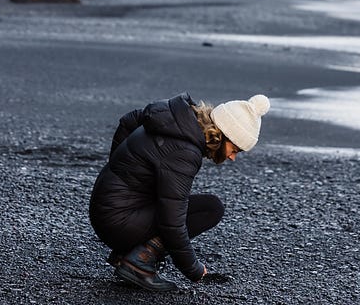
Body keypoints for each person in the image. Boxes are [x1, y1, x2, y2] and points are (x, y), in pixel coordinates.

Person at [89, 92, 270, 292]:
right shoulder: (184, 152)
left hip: (107, 207)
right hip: (118, 221)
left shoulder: (175, 120)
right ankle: (139, 262)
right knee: (210, 209)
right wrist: (193, 269)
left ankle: (129, 253)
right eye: (234, 150)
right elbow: (172, 222)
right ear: (223, 135)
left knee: (187, 204)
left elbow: (129, 120)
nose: (232, 157)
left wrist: (118, 168)